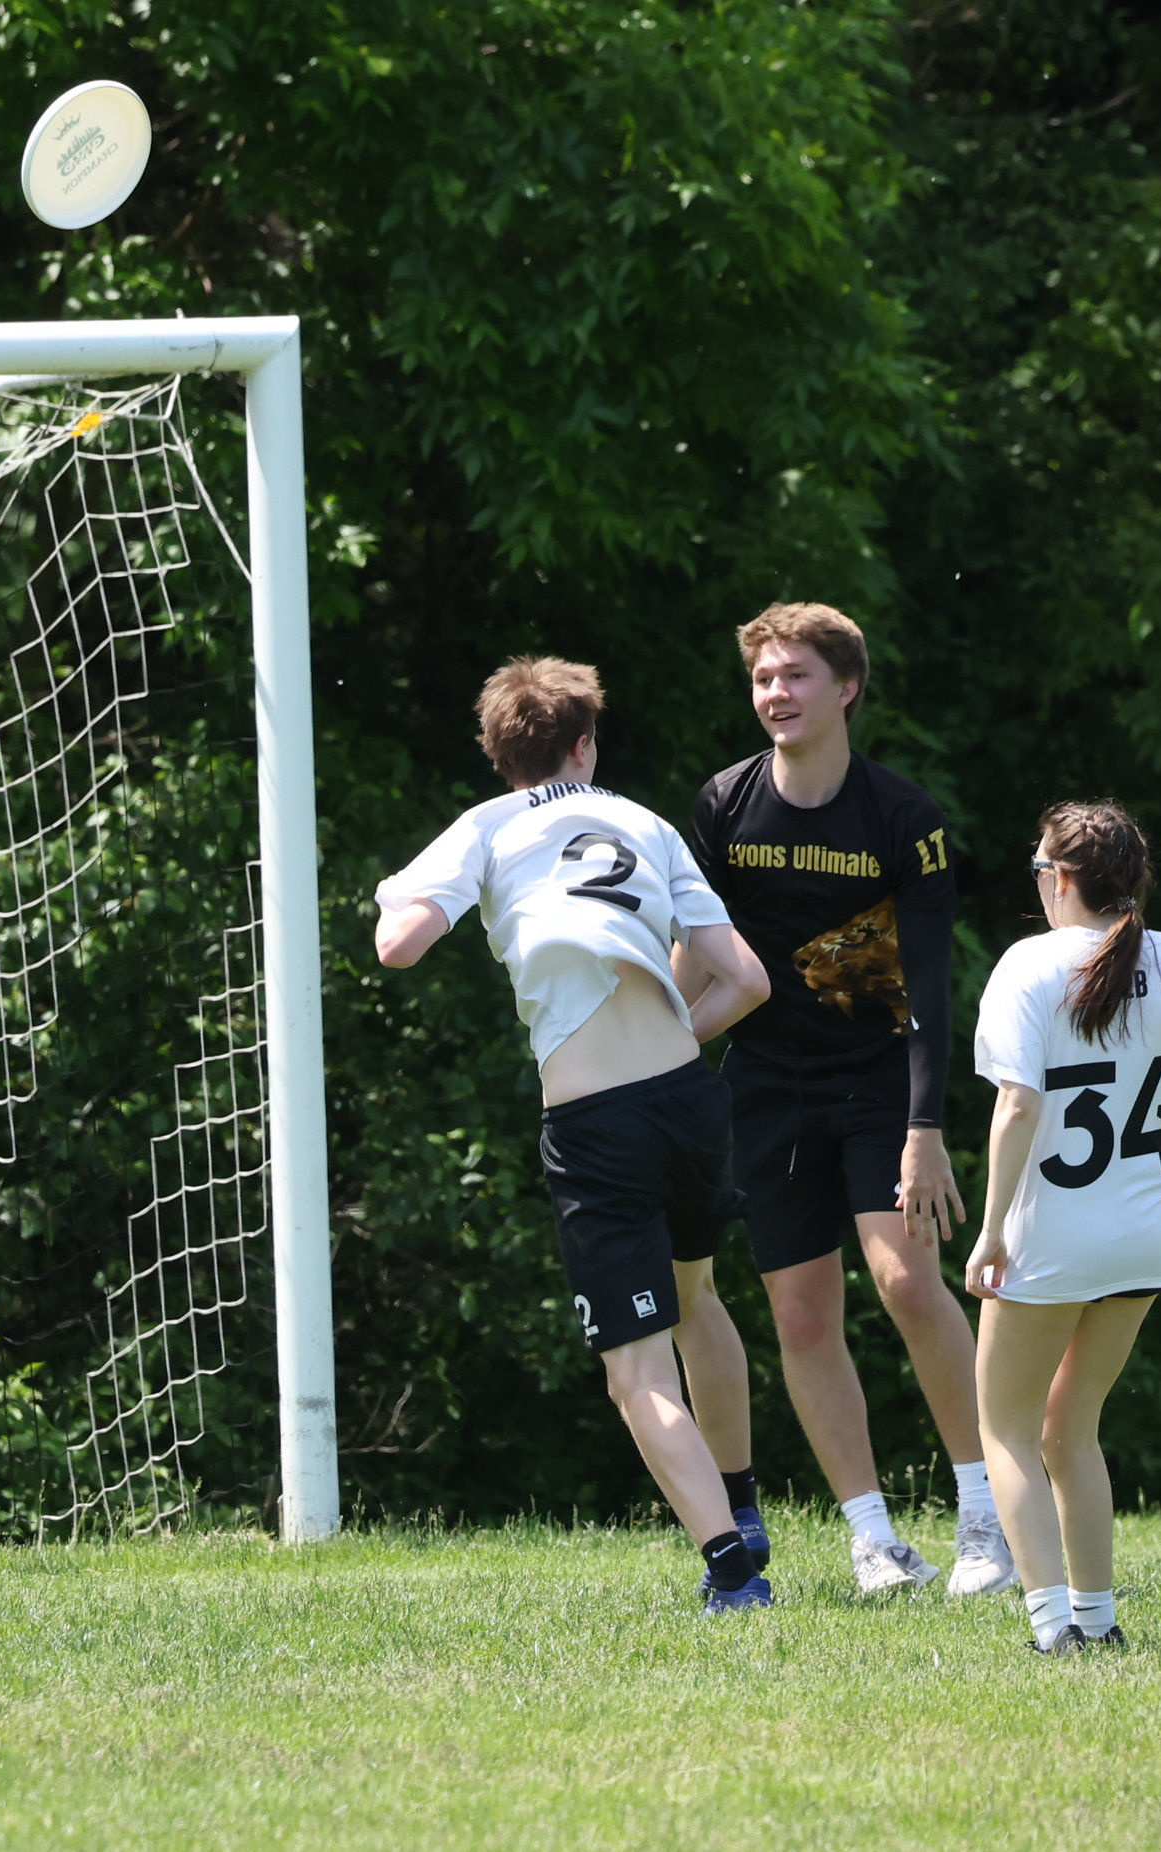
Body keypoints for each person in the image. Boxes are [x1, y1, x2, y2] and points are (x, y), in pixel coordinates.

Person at [375, 657, 777, 1611]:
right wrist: (676, 1039)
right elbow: (748, 981)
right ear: (585, 746)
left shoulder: (487, 826)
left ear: (497, 754)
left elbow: (400, 947)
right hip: (688, 1101)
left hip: (599, 1124)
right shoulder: (644, 822)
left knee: (635, 1370)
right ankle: (742, 1498)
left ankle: (732, 1567)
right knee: (698, 1296)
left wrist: (394, 894)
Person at [681, 603, 1014, 1597]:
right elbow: (695, 950)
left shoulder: (903, 817)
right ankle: (873, 1539)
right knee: (800, 1314)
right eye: (762, 678)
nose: (774, 693)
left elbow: (932, 989)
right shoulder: (724, 804)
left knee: (907, 1282)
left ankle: (988, 1515)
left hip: (878, 1078)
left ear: (846, 688)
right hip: (765, 1084)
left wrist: (926, 1128)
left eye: (794, 676)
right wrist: (650, 1050)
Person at [964, 800, 1161, 1654]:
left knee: (1007, 1427)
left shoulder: (1027, 964)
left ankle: (1053, 1626)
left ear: (1060, 879)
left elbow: (1018, 1106)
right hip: (1143, 1236)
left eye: (1039, 870)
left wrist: (991, 1231)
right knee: (1071, 1426)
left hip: (1051, 1237)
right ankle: (1098, 1620)